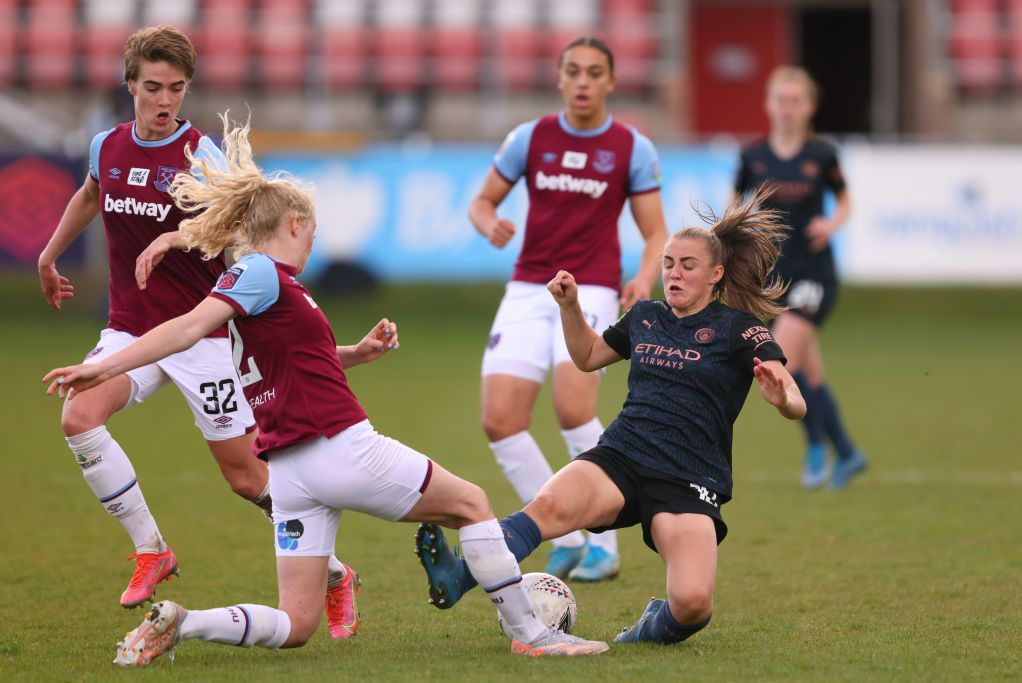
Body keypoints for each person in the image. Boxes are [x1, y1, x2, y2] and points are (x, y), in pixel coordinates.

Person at [43, 114, 610, 665]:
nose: (313, 243)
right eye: (312, 232)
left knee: (296, 625)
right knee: (473, 504)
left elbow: (285, 356)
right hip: (342, 448)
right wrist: (104, 368)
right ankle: (532, 634)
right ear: (293, 225)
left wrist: (355, 354)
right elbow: (185, 329)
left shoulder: (254, 284)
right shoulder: (263, 274)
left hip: (290, 475)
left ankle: (185, 621)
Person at [35, 26, 358, 638]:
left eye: (176, 89)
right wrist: (50, 257)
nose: (164, 101)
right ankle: (153, 550)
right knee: (79, 416)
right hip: (132, 329)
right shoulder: (106, 145)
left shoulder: (202, 155)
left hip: (203, 336)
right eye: (152, 88)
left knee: (247, 479)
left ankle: (337, 575)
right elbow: (91, 194)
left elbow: (242, 219)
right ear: (129, 84)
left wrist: (176, 234)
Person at [414, 191, 807, 647]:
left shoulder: (738, 328)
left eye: (687, 265)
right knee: (546, 509)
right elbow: (586, 356)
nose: (673, 273)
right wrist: (570, 307)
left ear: (716, 274)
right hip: (621, 455)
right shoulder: (645, 316)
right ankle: (457, 574)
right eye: (668, 262)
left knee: (693, 602)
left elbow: (792, 396)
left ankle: (644, 633)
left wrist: (782, 398)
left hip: (688, 476)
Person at [470, 36, 668, 581]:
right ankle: (572, 534)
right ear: (559, 78)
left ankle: (604, 545)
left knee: (573, 410)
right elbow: (482, 201)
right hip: (528, 288)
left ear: (611, 81)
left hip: (592, 289)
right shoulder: (529, 138)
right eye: (574, 71)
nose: (583, 81)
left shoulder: (632, 148)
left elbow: (657, 234)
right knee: (500, 420)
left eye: (594, 72)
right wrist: (491, 224)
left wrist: (644, 278)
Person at [733, 66, 867, 489]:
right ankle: (846, 453)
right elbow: (736, 206)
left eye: (796, 101)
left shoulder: (823, 156)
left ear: (809, 106)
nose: (788, 108)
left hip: (814, 275)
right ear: (769, 104)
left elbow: (846, 203)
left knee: (781, 360)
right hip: (772, 278)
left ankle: (814, 446)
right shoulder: (752, 157)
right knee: (810, 373)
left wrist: (832, 224)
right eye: (781, 100)